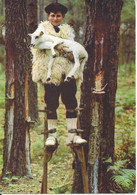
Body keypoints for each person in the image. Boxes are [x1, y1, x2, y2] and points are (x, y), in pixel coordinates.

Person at [31, 2, 87, 146]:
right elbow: (37, 44)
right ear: (48, 16)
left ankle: (73, 135)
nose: (55, 18)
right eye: (52, 15)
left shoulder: (68, 31)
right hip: (50, 72)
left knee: (70, 101)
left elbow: (73, 47)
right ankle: (52, 136)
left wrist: (72, 56)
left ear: (62, 17)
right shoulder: (42, 28)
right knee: (51, 102)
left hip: (67, 71)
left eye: (58, 16)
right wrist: (57, 47)